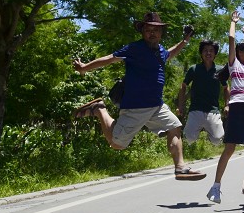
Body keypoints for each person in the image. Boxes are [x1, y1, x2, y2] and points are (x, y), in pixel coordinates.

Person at [71, 12, 205, 181]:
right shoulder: (134, 48)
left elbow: (170, 54)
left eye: (156, 30)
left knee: (174, 127)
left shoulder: (161, 51)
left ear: (161, 33)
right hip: (136, 107)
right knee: (116, 144)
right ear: (142, 31)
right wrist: (84, 68)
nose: (152, 33)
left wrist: (185, 40)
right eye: (148, 30)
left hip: (157, 105)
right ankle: (100, 110)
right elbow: (110, 59)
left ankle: (180, 168)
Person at [206, 11, 244, 204]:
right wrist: (233, 22)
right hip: (237, 107)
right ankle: (216, 187)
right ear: (239, 53)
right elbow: (231, 38)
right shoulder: (234, 65)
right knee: (229, 148)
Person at [176, 39, 227, 147]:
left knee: (218, 140)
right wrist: (181, 106)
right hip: (195, 110)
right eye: (205, 50)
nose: (208, 53)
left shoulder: (220, 70)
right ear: (201, 53)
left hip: (213, 110)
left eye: (211, 50)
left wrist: (227, 105)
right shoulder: (194, 69)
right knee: (189, 138)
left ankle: (209, 132)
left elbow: (226, 88)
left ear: (215, 54)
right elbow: (183, 86)